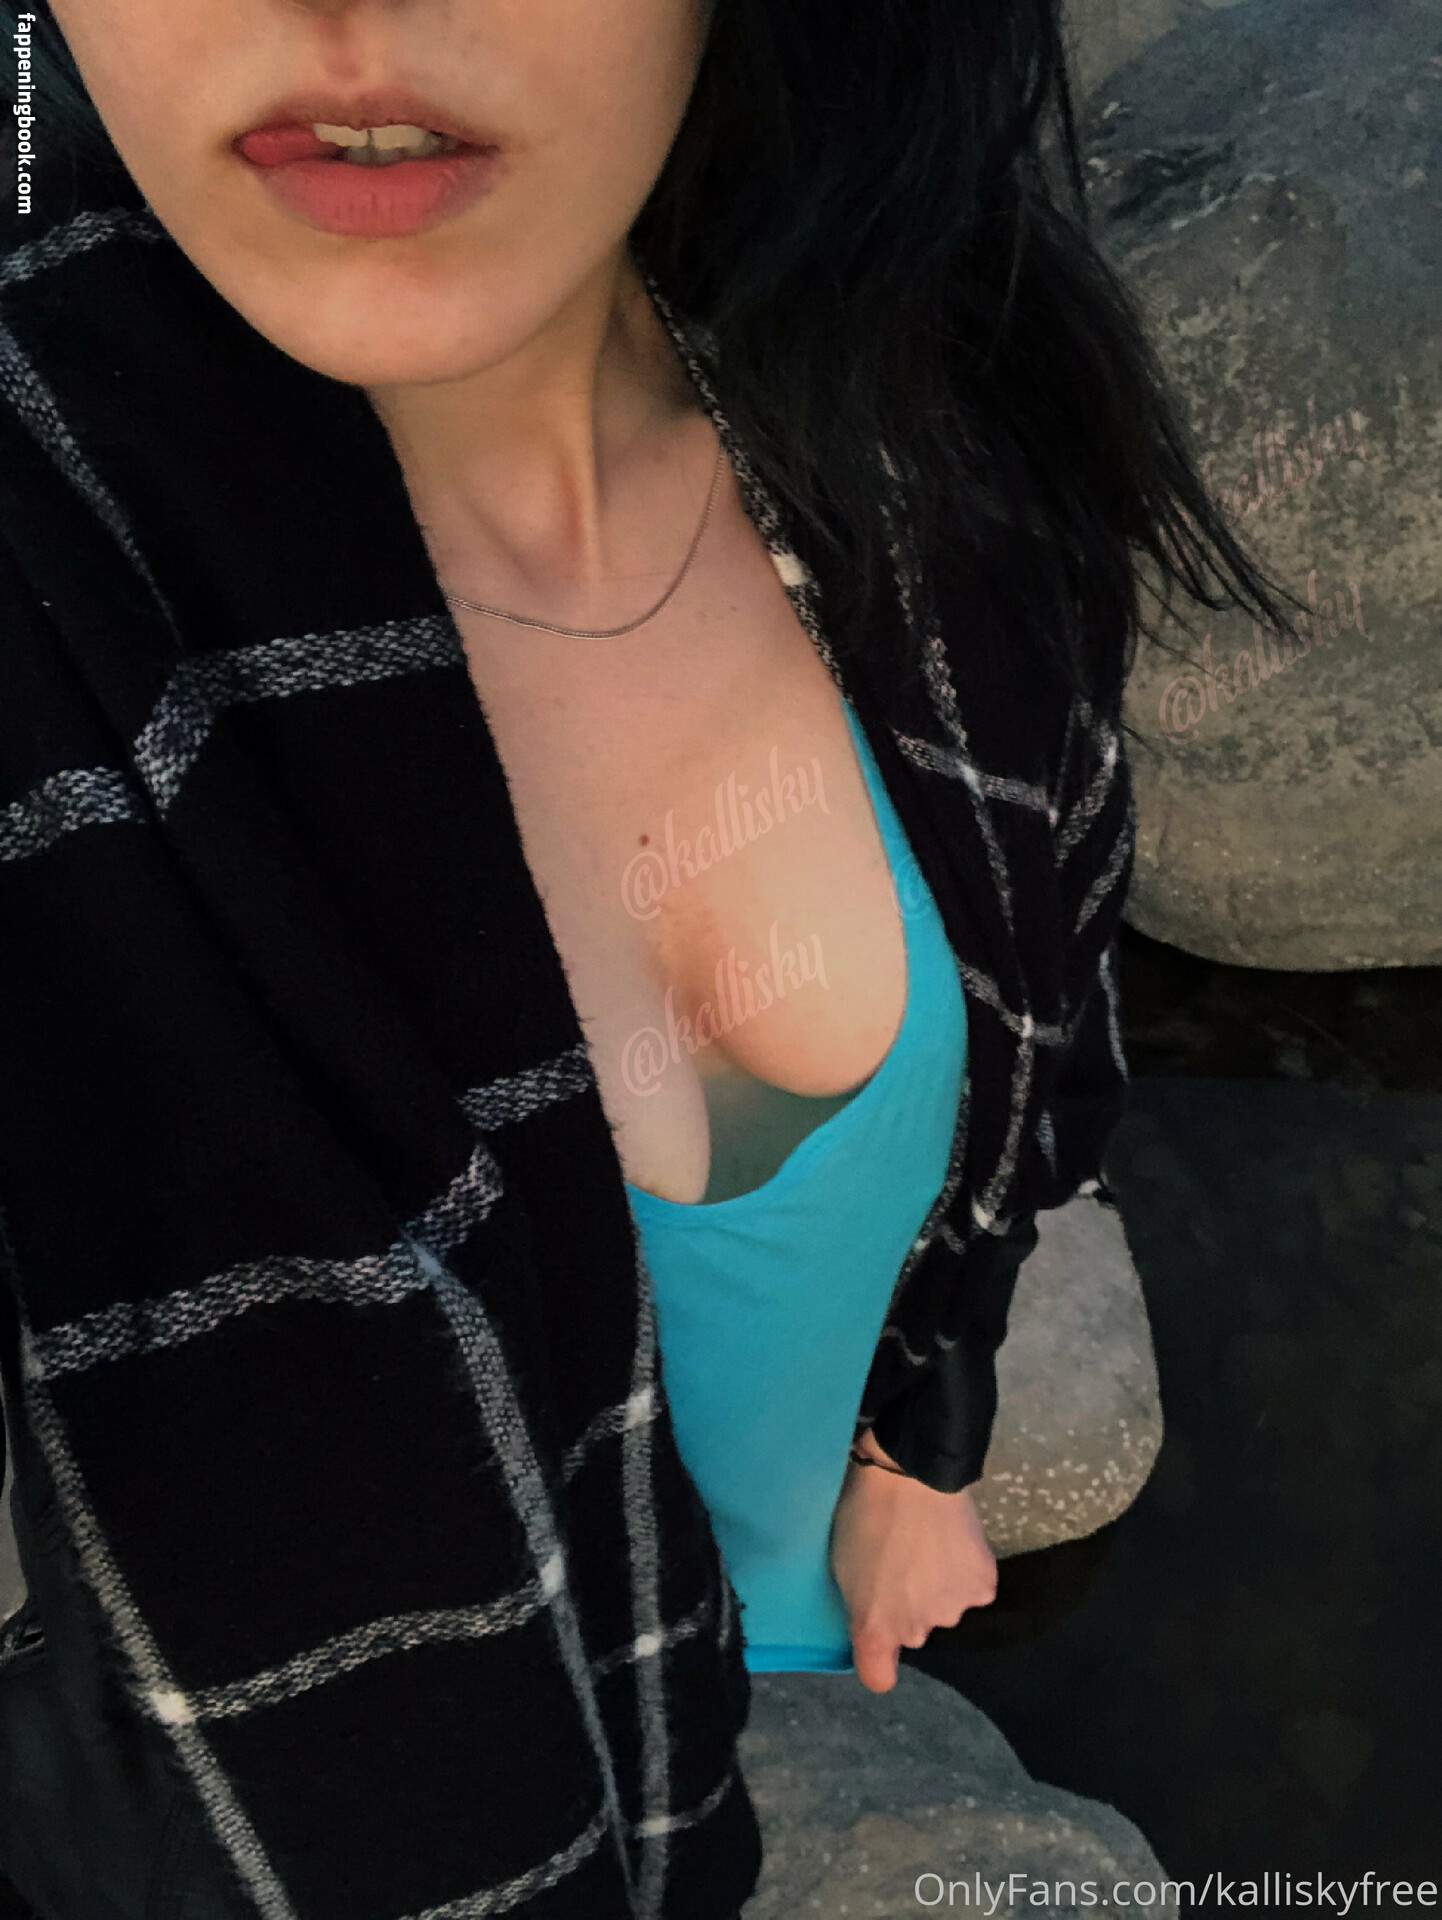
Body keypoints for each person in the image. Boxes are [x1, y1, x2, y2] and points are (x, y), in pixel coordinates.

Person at [0, 0, 1301, 1915]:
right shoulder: (56, 659)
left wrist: (925, 1443)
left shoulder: (922, 386)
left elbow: (1055, 990)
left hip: (790, 1580)